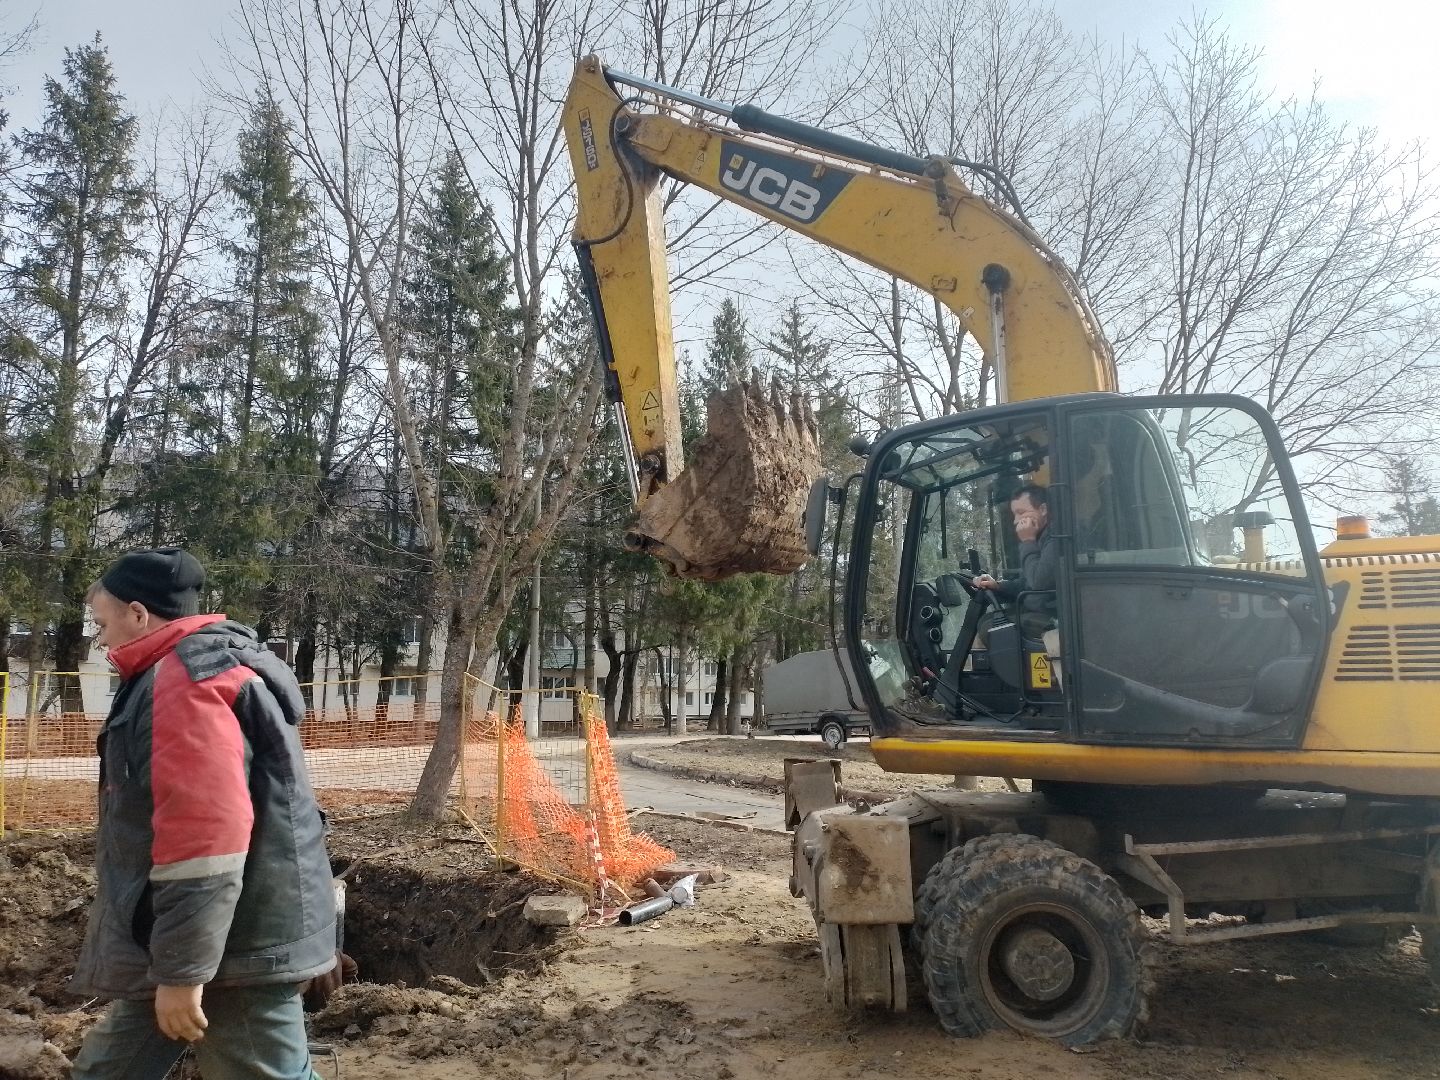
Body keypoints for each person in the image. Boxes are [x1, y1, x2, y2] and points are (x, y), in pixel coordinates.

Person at [70, 548, 340, 1080]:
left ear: (139, 614)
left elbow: (205, 840)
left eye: (102, 624)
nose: (100, 640)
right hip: (199, 939)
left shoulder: (184, 681)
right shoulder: (204, 668)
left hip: (235, 952)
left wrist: (184, 973)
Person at [973, 485, 1063, 679]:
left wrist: (1027, 541)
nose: (1016, 521)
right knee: (990, 622)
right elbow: (1027, 582)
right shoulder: (1044, 538)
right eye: (1014, 514)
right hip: (1044, 610)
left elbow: (1039, 582)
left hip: (1057, 617)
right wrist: (998, 585)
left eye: (1021, 512)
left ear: (1043, 510)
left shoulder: (1058, 538)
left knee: (987, 626)